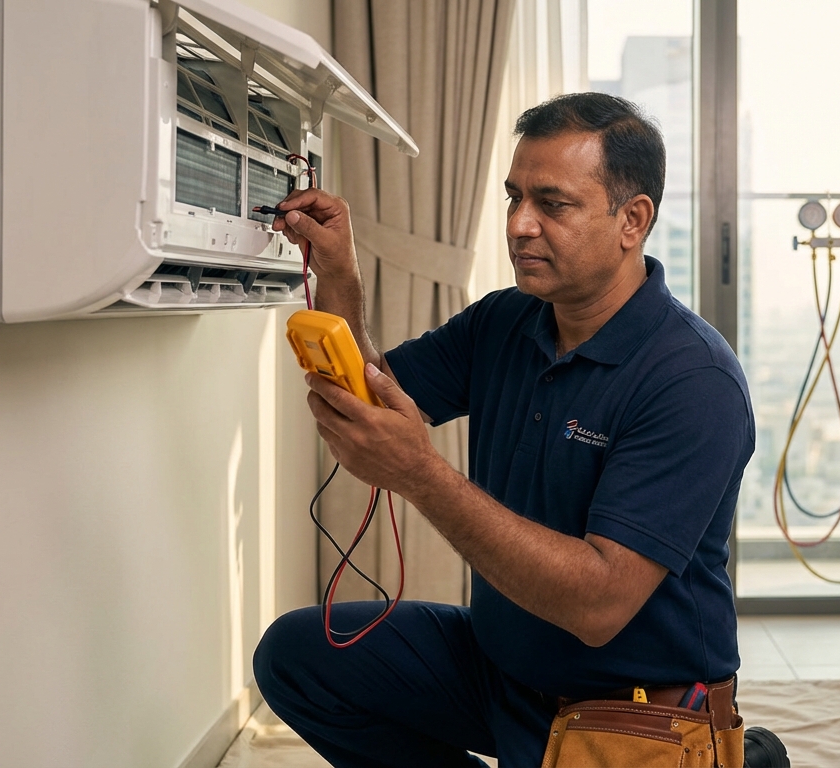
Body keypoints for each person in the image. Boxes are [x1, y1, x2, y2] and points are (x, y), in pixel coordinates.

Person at [252, 92, 755, 768]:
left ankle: (736, 755)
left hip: (629, 715)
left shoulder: (694, 381)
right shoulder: (504, 321)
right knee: (298, 655)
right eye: (514, 197)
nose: (520, 225)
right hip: (502, 669)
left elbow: (598, 604)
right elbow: (371, 397)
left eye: (553, 204)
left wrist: (421, 475)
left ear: (632, 220)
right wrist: (339, 270)